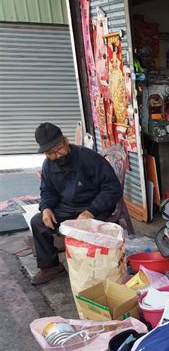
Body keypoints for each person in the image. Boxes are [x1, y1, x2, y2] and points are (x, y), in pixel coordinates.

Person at [30, 122, 123, 285]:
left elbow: (112, 188)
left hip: (95, 205)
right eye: (50, 153)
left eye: (59, 149)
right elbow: (47, 190)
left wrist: (91, 211)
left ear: (65, 142)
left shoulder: (89, 158)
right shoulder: (48, 165)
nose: (57, 155)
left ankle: (94, 268)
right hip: (67, 207)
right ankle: (50, 266)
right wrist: (46, 208)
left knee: (88, 228)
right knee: (38, 222)